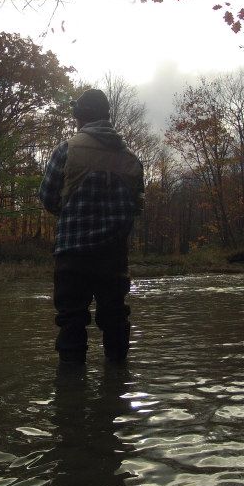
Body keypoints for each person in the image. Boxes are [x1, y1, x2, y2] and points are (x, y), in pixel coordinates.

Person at [39, 88, 145, 365]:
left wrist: (70, 212)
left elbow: (48, 198)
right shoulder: (132, 160)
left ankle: (70, 397)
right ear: (106, 116)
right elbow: (137, 207)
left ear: (80, 117)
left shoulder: (66, 150)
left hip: (72, 255)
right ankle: (117, 389)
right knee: (115, 319)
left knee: (71, 321)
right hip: (114, 257)